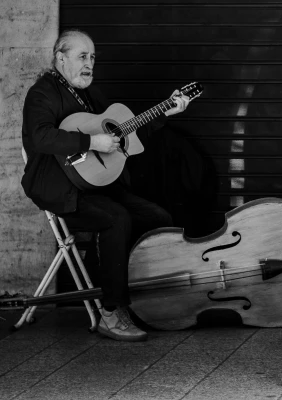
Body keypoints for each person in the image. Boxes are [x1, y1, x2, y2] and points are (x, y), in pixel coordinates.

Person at [21, 29, 191, 341]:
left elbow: (127, 132)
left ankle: (132, 290)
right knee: (116, 219)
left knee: (157, 217)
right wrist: (91, 140)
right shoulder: (42, 93)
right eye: (82, 56)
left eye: (93, 58)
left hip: (96, 184)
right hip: (61, 189)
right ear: (60, 58)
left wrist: (164, 112)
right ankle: (111, 312)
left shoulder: (89, 94)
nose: (89, 64)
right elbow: (41, 136)